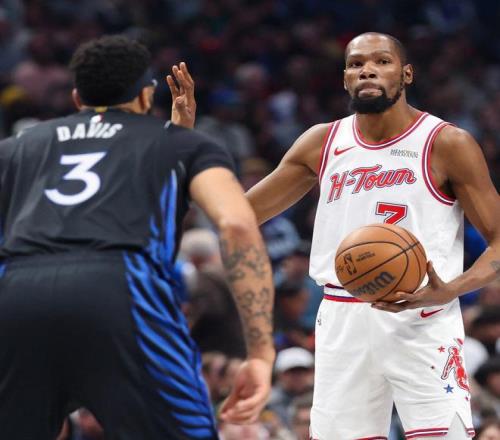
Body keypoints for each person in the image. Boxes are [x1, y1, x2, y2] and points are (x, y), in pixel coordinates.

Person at [175, 32, 500, 439]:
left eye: (382, 61)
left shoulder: (447, 143)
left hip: (421, 313)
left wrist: (451, 289)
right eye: (356, 63)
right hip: (341, 315)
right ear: (345, 77)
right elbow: (237, 215)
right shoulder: (322, 142)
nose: (367, 70)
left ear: (407, 74)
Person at [0, 35, 276, 439]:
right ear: (147, 96)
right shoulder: (184, 145)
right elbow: (236, 224)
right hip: (119, 288)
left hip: (17, 293)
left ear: (76, 98)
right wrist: (261, 352)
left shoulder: (16, 147)